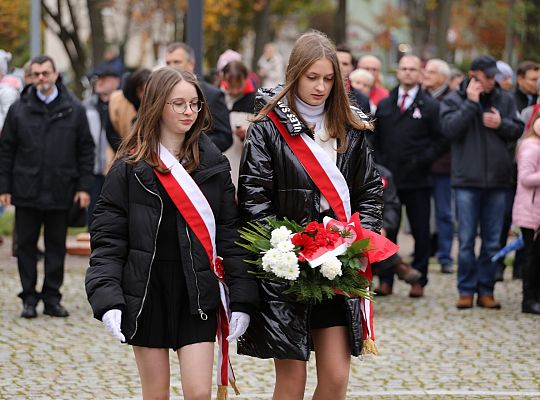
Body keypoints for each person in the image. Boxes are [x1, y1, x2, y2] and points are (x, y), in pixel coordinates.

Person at [85, 67, 258, 400]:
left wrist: (243, 298)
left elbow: (229, 235)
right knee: (156, 394)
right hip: (147, 289)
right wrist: (108, 298)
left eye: (194, 104)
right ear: (156, 105)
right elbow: (108, 238)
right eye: (178, 103)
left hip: (197, 290)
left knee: (198, 393)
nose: (188, 112)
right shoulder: (129, 165)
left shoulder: (213, 163)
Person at [237, 31, 383, 400]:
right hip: (286, 265)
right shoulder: (267, 128)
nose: (321, 87)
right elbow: (254, 199)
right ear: (294, 75)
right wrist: (284, 248)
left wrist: (355, 242)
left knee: (335, 379)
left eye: (329, 78)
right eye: (312, 77)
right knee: (291, 383)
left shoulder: (353, 127)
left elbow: (369, 192)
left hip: (338, 264)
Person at [0, 55, 95, 318]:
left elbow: (86, 149)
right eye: (36, 73)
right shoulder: (19, 109)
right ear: (31, 77)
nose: (41, 78)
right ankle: (28, 298)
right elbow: (6, 150)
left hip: (60, 189)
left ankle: (52, 297)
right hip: (26, 189)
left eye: (46, 73)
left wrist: (84, 187)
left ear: (55, 74)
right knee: (26, 246)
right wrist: (4, 186)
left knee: (55, 247)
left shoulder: (73, 108)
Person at [440, 55, 524, 310]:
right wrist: (470, 104)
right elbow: (449, 130)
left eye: (493, 76)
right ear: (474, 74)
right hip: (466, 180)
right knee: (465, 240)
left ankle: (486, 289)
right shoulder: (455, 99)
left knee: (491, 241)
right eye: (487, 77)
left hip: (498, 181)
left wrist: (502, 124)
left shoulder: (505, 99)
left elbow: (520, 129)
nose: (492, 81)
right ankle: (466, 290)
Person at [372, 54, 447, 298]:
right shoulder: (385, 104)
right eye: (403, 68)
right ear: (398, 72)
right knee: (387, 229)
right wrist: (380, 165)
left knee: (421, 231)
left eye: (412, 69)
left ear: (420, 73)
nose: (407, 73)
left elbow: (441, 141)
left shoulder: (430, 105)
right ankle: (386, 279)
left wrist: (422, 160)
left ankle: (419, 279)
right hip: (388, 182)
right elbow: (376, 139)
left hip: (418, 179)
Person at [165, 42, 233, 152]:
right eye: (168, 63)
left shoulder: (212, 95)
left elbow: (224, 137)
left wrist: (192, 148)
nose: (171, 66)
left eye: (176, 62)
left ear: (191, 63)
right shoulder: (162, 93)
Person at [422, 58, 454, 274]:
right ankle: (422, 253)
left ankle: (445, 256)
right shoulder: (421, 97)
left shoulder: (451, 99)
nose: (426, 75)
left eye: (431, 72)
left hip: (444, 166)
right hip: (423, 166)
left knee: (444, 213)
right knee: (422, 215)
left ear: (443, 77)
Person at [83, 62, 121, 227]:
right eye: (98, 78)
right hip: (93, 170)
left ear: (116, 81)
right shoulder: (87, 106)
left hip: (116, 169)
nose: (99, 81)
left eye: (104, 78)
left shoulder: (123, 105)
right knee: (93, 215)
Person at [512, 109, 540, 315]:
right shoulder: (531, 147)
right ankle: (529, 299)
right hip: (531, 211)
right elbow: (526, 179)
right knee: (532, 256)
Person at [219, 60, 256, 188]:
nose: (234, 91)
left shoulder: (255, 101)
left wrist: (249, 131)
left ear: (246, 79)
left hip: (242, 158)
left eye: (238, 86)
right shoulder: (218, 97)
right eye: (231, 85)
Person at [106, 68, 151, 151]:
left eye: (147, 91)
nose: (143, 95)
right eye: (141, 90)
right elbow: (110, 132)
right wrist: (125, 152)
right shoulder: (116, 100)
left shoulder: (154, 104)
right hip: (119, 153)